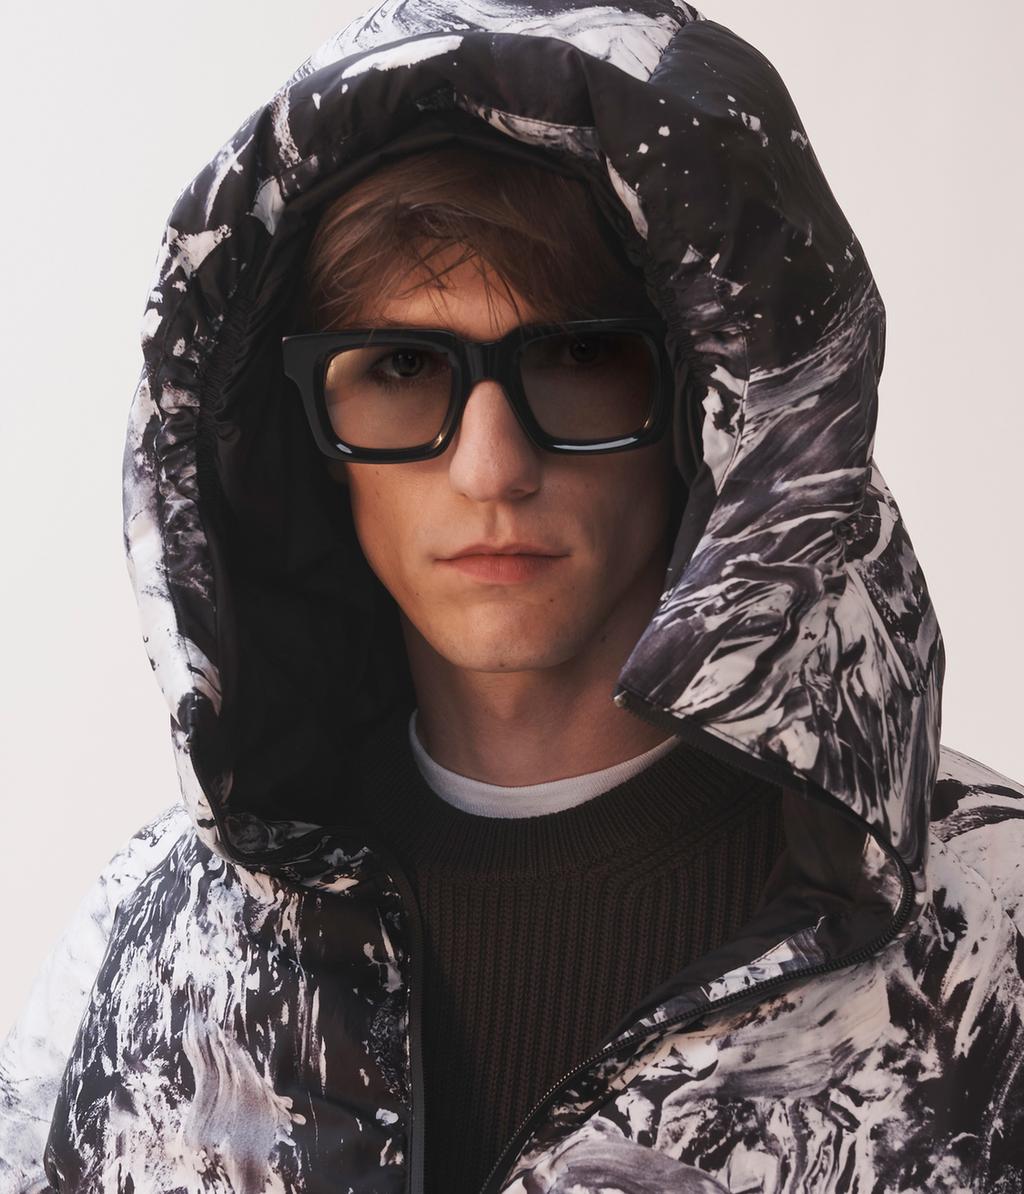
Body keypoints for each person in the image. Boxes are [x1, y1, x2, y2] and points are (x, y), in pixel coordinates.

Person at [1, 1, 1022, 1192]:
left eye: (576, 357)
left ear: (713, 408)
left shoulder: (988, 934)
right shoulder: (146, 957)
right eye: (400, 366)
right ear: (301, 429)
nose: (490, 469)